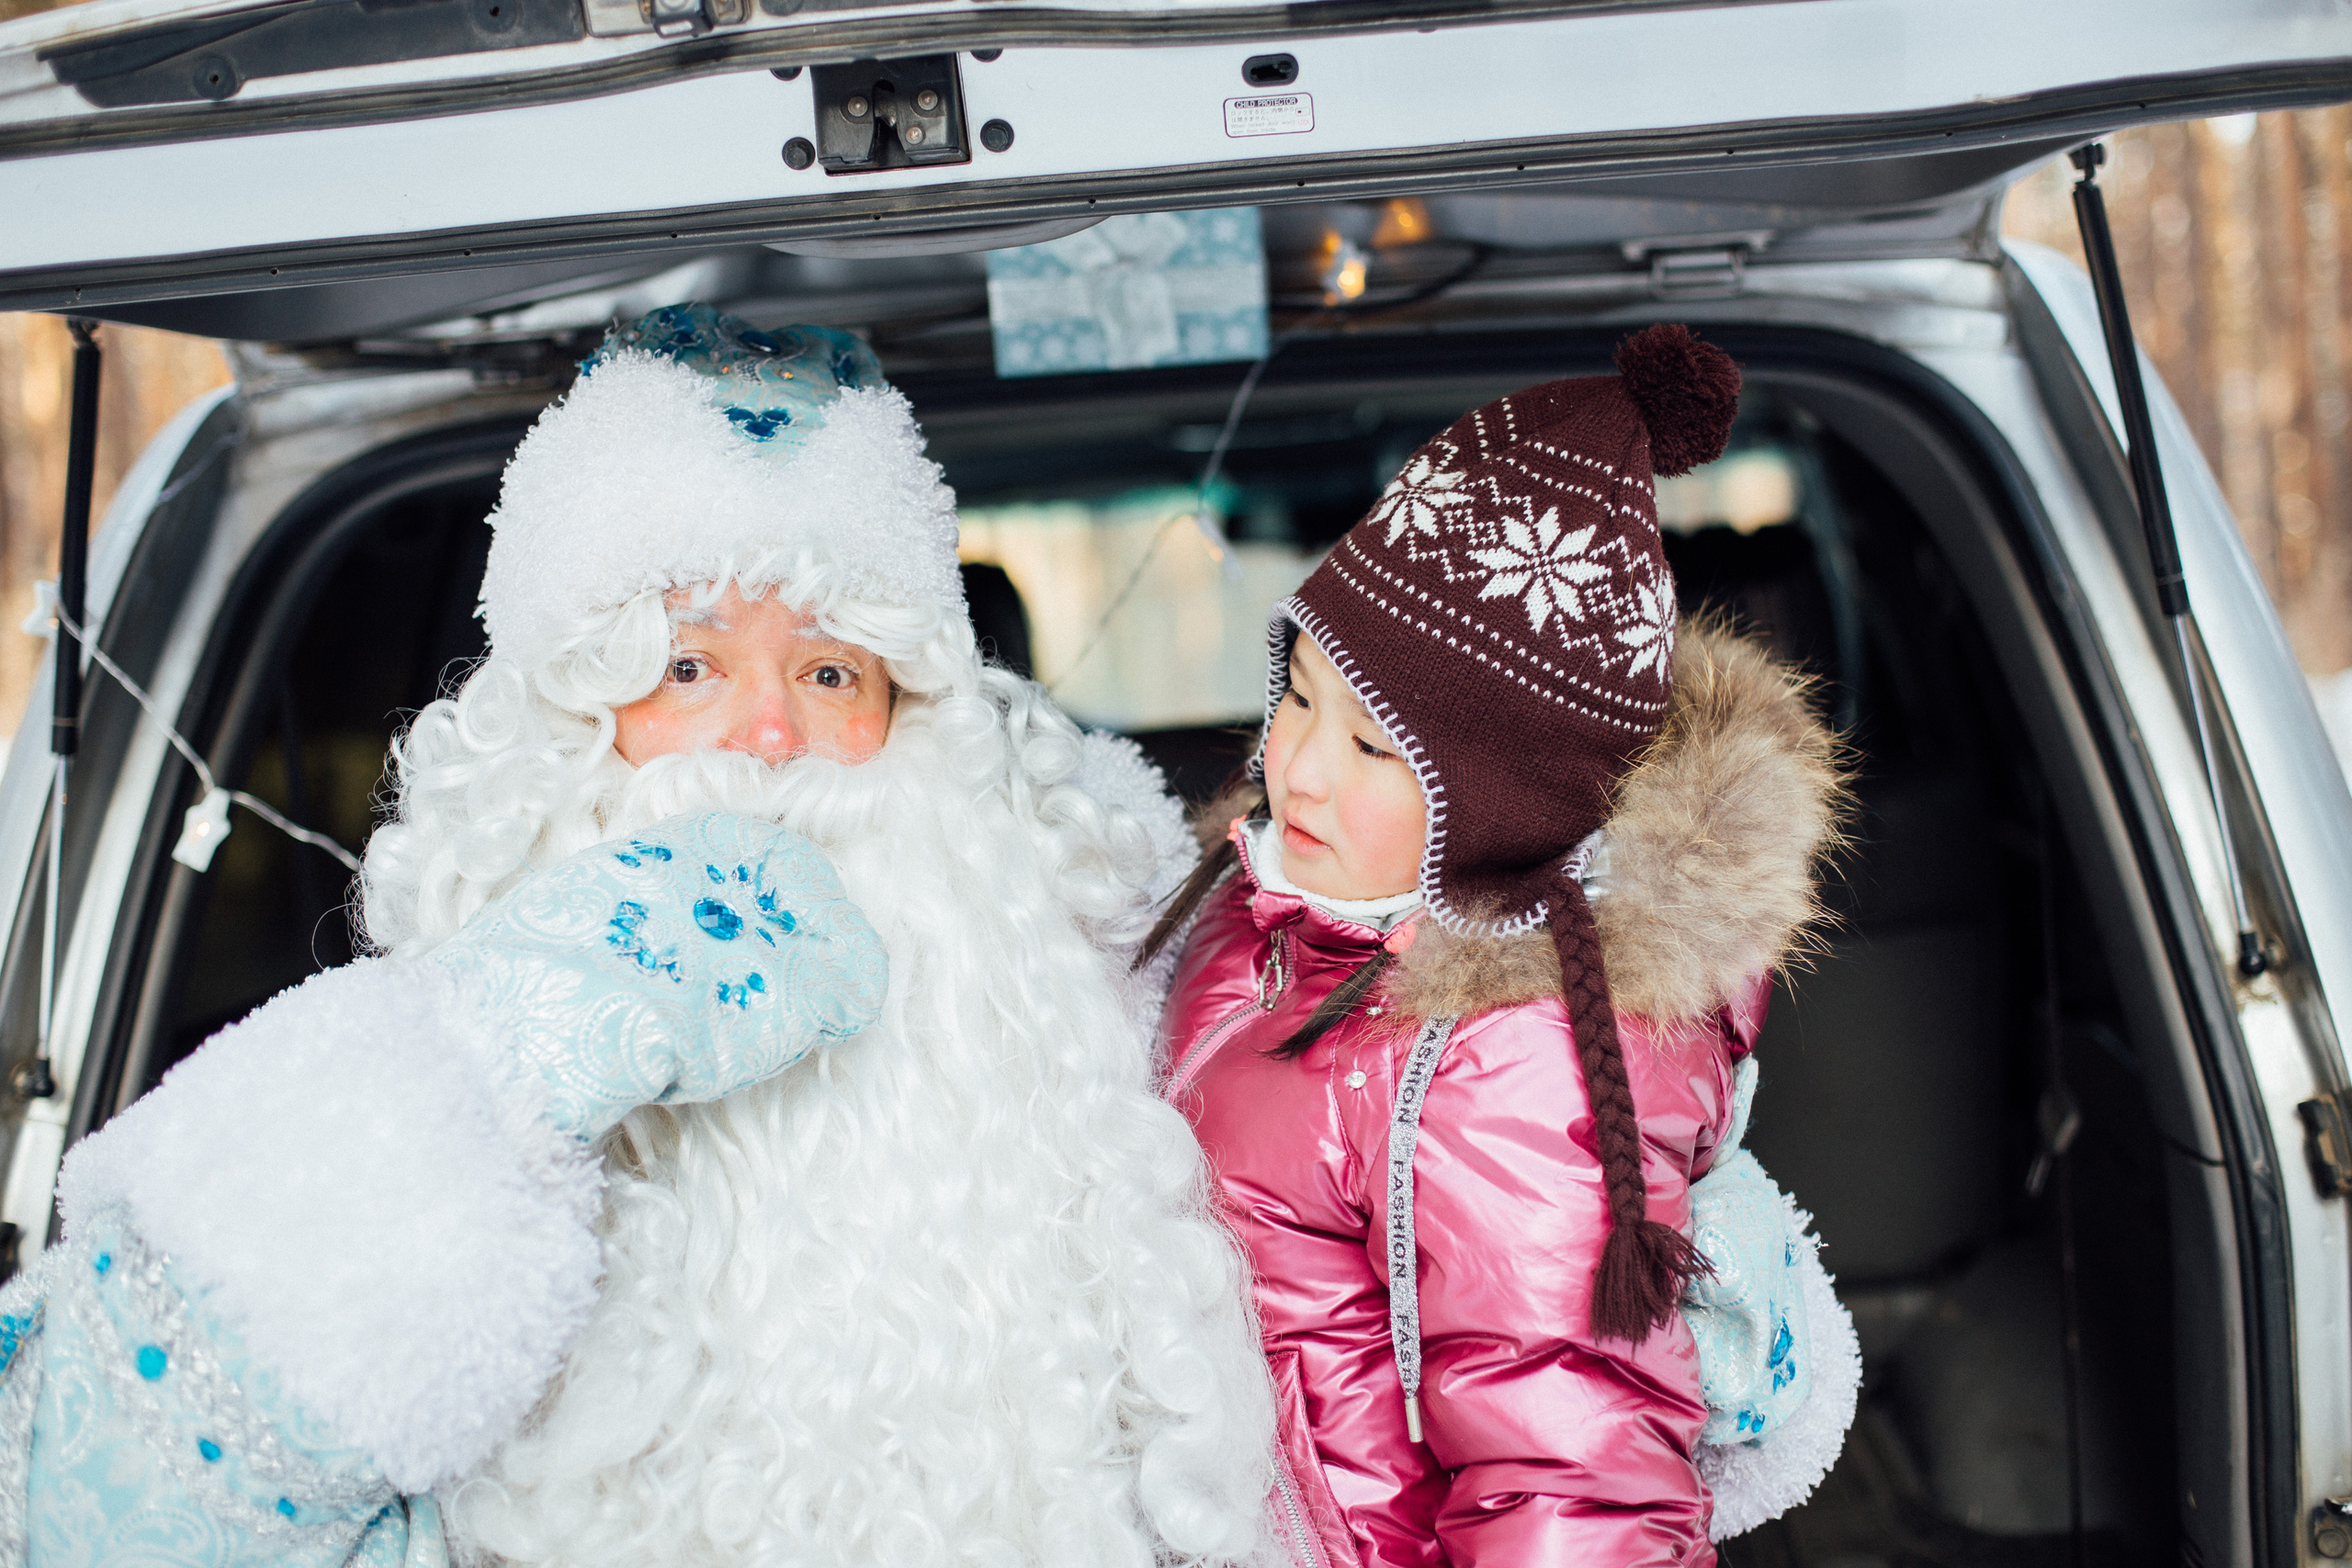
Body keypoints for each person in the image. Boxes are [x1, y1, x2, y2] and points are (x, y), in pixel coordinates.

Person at [0, 305, 1278, 1568]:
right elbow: (94, 1510)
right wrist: (501, 1059)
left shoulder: (1103, 1020)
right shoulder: (431, 1060)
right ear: (569, 727)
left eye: (832, 673)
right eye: (689, 669)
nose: (767, 735)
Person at [1148, 324, 1850, 1566]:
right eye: (1297, 694)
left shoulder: (1516, 1067)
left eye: (1374, 748)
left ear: (1505, 802)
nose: (1294, 766)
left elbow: (1574, 1487)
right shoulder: (1284, 899)